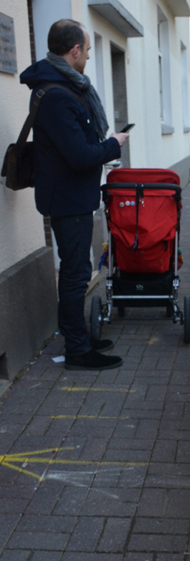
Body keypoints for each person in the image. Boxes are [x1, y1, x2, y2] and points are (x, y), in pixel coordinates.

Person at [20, 19, 129, 371]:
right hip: (68, 200)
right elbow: (79, 155)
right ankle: (78, 352)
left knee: (76, 271)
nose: (89, 57)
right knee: (75, 275)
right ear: (75, 50)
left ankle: (78, 337)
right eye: (88, 50)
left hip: (72, 197)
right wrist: (113, 144)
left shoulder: (64, 87)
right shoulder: (56, 95)